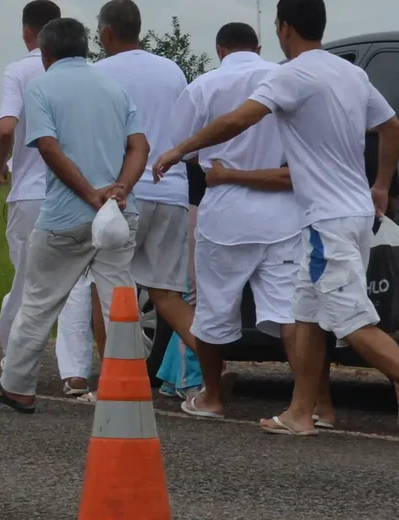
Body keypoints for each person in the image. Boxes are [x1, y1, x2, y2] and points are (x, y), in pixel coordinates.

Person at [153, 0, 399, 436]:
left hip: (328, 221)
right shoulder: (351, 72)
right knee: (303, 312)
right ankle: (301, 413)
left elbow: (236, 121)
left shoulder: (293, 73)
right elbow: (390, 126)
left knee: (352, 323)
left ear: (285, 27)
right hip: (343, 215)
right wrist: (380, 185)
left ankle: (284, 406)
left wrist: (177, 150)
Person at [0, 17, 149, 413]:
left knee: (39, 302)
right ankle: (128, 389)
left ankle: (18, 386)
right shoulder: (113, 87)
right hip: (119, 213)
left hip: (66, 216)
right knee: (119, 303)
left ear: (45, 53)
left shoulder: (41, 87)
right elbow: (139, 146)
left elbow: (48, 147)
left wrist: (89, 193)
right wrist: (120, 188)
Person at [171, 22, 301, 419]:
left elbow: (183, 147)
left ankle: (212, 397)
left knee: (213, 308)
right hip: (282, 210)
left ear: (219, 50)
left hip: (225, 210)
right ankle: (308, 402)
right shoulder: (285, 78)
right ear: (259, 47)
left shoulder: (203, 87)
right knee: (289, 313)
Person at [0, 0, 92, 396]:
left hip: (31, 191)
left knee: (26, 283)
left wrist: (1, 165)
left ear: (27, 32)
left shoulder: (19, 71)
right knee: (77, 283)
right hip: (77, 189)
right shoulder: (87, 74)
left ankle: (12, 363)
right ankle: (75, 372)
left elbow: (5, 128)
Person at [92, 0, 196, 354]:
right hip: (173, 190)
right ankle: (212, 370)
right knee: (166, 293)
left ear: (106, 33)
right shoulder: (172, 70)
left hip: (124, 192)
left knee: (107, 285)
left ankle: (113, 376)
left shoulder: (100, 72)